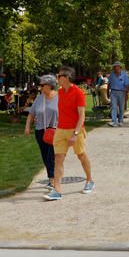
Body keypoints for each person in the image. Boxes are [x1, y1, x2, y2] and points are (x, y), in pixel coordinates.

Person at [45, 66, 94, 200]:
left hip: (75, 129)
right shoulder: (60, 92)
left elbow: (82, 116)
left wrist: (75, 133)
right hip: (60, 129)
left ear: (66, 78)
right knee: (58, 159)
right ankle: (57, 190)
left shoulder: (78, 93)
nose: (57, 78)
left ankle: (89, 180)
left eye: (59, 76)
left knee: (81, 155)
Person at [24, 75, 58, 191]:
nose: (40, 87)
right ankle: (51, 178)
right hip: (40, 131)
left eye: (42, 85)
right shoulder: (39, 98)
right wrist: (27, 127)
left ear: (49, 85)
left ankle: (52, 181)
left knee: (51, 157)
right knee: (45, 156)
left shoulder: (59, 97)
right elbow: (31, 114)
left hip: (55, 130)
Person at [107, 61, 129, 127]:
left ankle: (121, 121)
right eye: (114, 67)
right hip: (113, 92)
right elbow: (109, 84)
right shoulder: (112, 74)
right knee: (113, 107)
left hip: (122, 92)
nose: (115, 68)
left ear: (120, 67)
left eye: (116, 67)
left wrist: (126, 94)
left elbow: (127, 85)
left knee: (121, 107)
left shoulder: (124, 74)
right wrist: (107, 93)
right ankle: (114, 121)